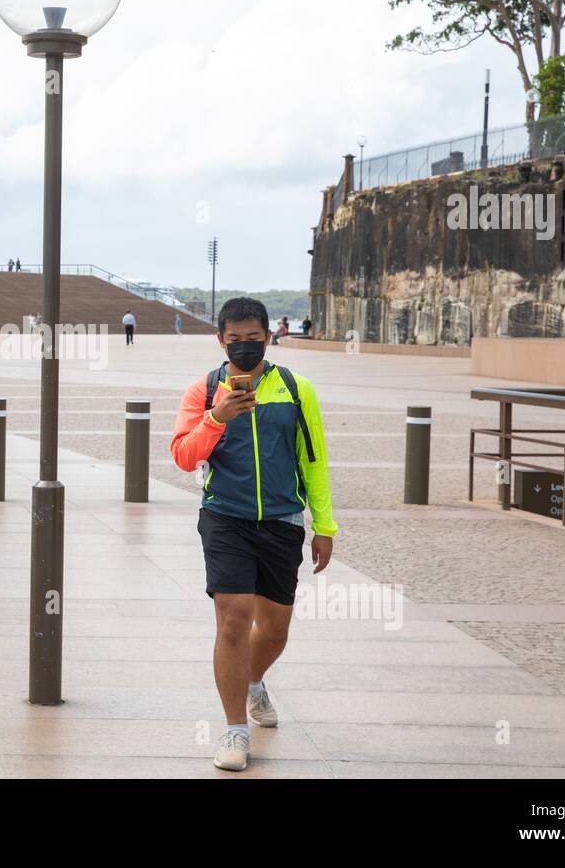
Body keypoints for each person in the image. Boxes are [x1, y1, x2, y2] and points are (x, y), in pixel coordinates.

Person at [169, 296, 336, 773]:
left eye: (253, 338)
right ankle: (235, 730)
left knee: (275, 629)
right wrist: (217, 417)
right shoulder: (202, 392)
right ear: (221, 340)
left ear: (268, 336)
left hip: (282, 519)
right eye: (234, 339)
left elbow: (314, 460)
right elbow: (183, 455)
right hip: (225, 517)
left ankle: (255, 679)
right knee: (233, 619)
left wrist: (323, 526)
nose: (244, 346)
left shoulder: (295, 388)